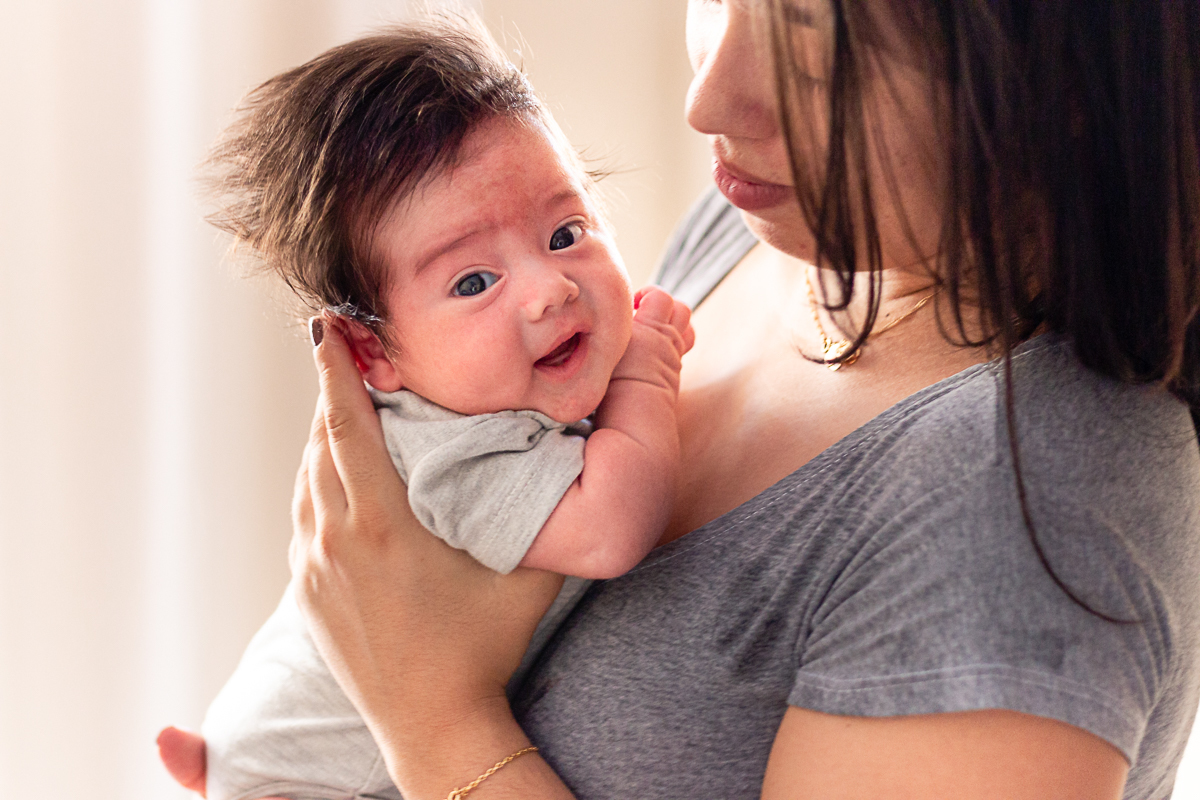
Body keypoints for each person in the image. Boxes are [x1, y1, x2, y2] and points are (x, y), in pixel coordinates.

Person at [162, 1, 1200, 798]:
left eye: (819, 43)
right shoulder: (778, 225)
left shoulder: (1030, 496)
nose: (711, 100)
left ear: (1068, 72)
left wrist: (434, 719)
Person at [191, 16, 693, 800]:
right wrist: (647, 378)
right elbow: (613, 528)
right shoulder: (446, 451)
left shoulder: (487, 391)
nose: (548, 288)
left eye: (566, 232)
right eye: (472, 283)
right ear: (372, 354)